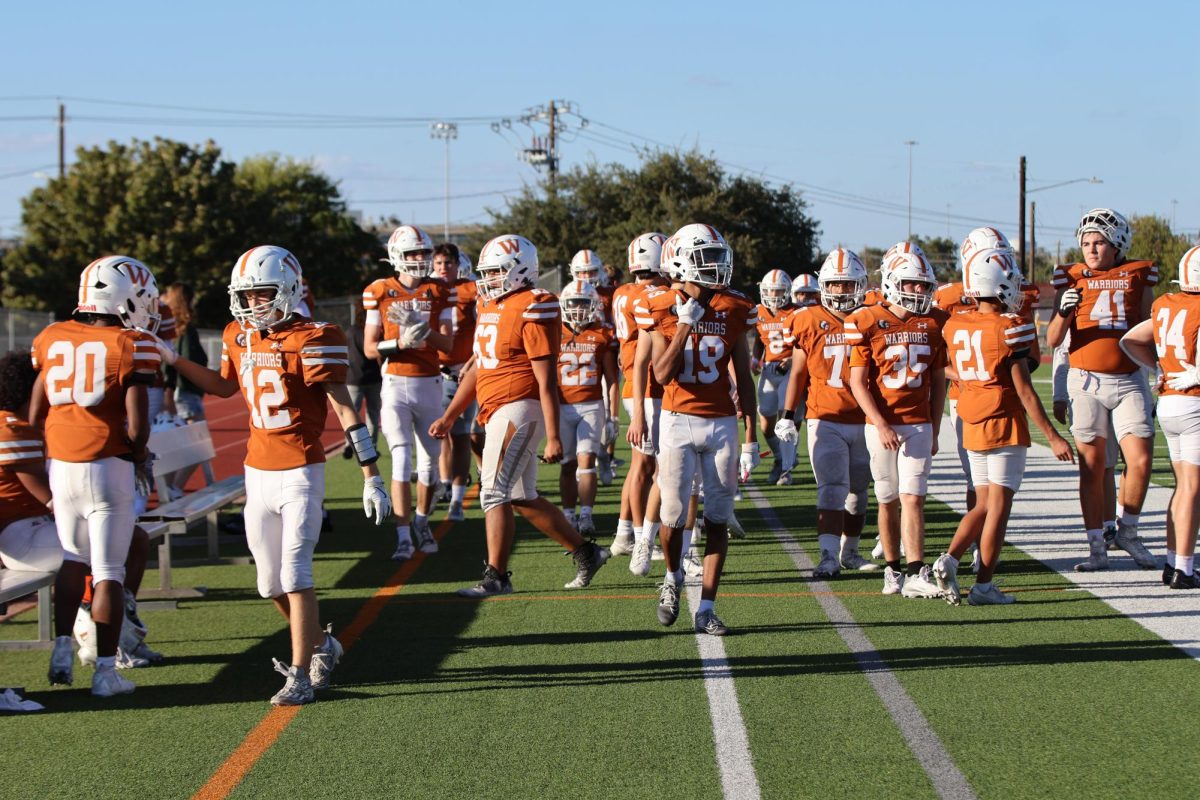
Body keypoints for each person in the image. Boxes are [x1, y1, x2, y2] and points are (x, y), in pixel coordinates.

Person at [158, 245, 391, 705]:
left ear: (286, 290)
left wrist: (371, 473)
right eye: (245, 297)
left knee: (296, 572)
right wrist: (173, 359)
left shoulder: (316, 336)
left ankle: (301, 674)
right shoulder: (237, 335)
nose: (252, 305)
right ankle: (322, 643)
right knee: (268, 583)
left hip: (300, 471)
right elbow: (224, 386)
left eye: (261, 294)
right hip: (256, 472)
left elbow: (344, 408)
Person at [431, 234, 609, 595]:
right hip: (495, 406)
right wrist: (451, 414)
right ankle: (586, 551)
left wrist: (555, 434)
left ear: (521, 270)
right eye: (487, 271)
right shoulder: (490, 305)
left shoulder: (536, 304)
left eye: (497, 270)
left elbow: (546, 379)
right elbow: (480, 367)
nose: (490, 278)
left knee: (493, 491)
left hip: (520, 406)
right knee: (521, 495)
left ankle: (496, 577)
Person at [30, 256, 160, 697]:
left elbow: (35, 412)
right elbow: (138, 426)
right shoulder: (130, 343)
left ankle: (62, 647)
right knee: (108, 572)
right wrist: (139, 454)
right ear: (121, 297)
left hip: (61, 466)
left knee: (72, 558)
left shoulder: (50, 336)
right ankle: (106, 672)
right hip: (108, 466)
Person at [932, 249, 1074, 605]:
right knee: (998, 508)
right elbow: (1025, 391)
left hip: (970, 417)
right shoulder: (1010, 327)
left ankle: (949, 558)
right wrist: (1054, 437)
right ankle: (982, 585)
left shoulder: (957, 322)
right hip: (1004, 421)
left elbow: (947, 364)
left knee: (982, 504)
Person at [643, 224, 759, 635]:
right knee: (672, 515)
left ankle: (707, 607)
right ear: (680, 262)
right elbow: (660, 373)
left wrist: (750, 435)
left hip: (722, 422)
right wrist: (685, 325)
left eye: (717, 256)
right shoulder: (659, 305)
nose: (716, 265)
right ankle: (672, 579)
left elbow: (743, 377)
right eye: (706, 257)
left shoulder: (734, 306)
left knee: (717, 516)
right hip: (676, 420)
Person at [1046, 208, 1158, 571]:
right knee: (1092, 468)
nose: (1091, 250)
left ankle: (1128, 530)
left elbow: (1148, 329)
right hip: (1086, 381)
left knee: (1140, 462)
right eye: (1086, 243)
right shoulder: (1071, 276)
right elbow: (1052, 339)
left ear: (1118, 244)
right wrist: (1063, 312)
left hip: (1128, 379)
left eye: (1099, 243)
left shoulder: (1139, 274)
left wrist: (1158, 374)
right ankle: (1097, 545)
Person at [846, 250, 947, 598]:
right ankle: (892, 568)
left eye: (923, 286)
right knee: (887, 498)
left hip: (918, 423)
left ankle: (917, 570)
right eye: (912, 284)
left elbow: (939, 381)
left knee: (914, 497)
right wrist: (880, 423)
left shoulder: (935, 322)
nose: (919, 292)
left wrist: (934, 426)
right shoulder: (868, 320)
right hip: (881, 427)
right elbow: (857, 382)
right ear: (892, 282)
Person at [776, 248, 877, 577]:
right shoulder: (806, 319)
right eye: (834, 284)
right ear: (824, 286)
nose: (841, 292)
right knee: (832, 487)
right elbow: (798, 372)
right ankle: (828, 556)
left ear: (860, 285)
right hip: (826, 416)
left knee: (859, 492)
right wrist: (788, 415)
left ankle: (850, 551)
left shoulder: (873, 316)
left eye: (848, 285)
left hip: (864, 418)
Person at [363, 225, 456, 560]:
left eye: (423, 253)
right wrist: (400, 343)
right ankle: (402, 535)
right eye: (412, 253)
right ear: (396, 256)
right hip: (395, 384)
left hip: (429, 383)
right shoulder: (379, 290)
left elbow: (447, 344)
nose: (419, 259)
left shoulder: (439, 290)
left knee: (430, 461)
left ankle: (421, 521)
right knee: (401, 458)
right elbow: (370, 348)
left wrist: (425, 331)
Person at [1119, 245, 1200, 588]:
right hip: (1195, 402)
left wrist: (1159, 370)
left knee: (1183, 487)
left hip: (1169, 403)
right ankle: (1184, 568)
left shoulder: (1166, 304)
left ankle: (1172, 563)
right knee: (1193, 488)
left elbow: (1130, 340)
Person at [613, 232, 669, 572]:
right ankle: (640, 534)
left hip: (634, 381)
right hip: (647, 383)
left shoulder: (622, 292)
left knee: (642, 466)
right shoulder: (654, 295)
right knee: (653, 468)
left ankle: (626, 533)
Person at [555, 280, 618, 535]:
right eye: (574, 303)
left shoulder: (603, 334)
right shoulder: (553, 332)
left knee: (587, 461)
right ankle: (568, 515)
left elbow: (612, 379)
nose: (579, 309)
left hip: (591, 405)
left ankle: (586, 515)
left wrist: (613, 416)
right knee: (568, 464)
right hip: (562, 406)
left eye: (584, 303)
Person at [432, 243, 478, 522]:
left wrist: (473, 362)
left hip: (462, 373)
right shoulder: (427, 290)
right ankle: (444, 484)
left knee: (461, 436)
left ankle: (457, 499)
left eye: (447, 263)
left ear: (457, 265)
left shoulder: (471, 290)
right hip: (432, 373)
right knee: (439, 435)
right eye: (438, 263)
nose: (442, 268)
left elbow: (485, 328)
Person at [753, 269, 799, 485]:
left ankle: (786, 470)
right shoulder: (758, 311)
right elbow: (759, 339)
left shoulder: (796, 312)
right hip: (769, 368)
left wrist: (792, 360)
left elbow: (803, 343)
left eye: (777, 290)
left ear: (787, 291)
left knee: (784, 416)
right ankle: (781, 458)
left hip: (789, 368)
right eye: (769, 290)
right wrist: (755, 359)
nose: (772, 295)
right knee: (765, 420)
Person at [342, 296, 382, 462]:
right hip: (373, 377)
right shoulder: (375, 331)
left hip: (353, 378)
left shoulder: (350, 331)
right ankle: (371, 447)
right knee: (372, 414)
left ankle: (348, 444)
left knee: (351, 413)